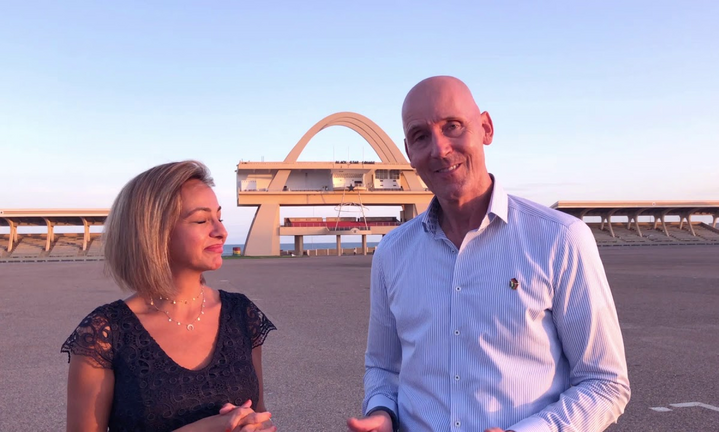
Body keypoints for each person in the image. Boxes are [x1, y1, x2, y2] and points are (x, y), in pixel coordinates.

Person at [347, 76, 630, 432]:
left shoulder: (561, 239)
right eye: (420, 136)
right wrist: (382, 411)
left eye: (453, 126)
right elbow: (383, 367)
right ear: (408, 153)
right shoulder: (392, 252)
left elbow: (604, 382)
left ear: (486, 128)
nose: (439, 149)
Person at [61, 161, 277, 432]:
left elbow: (260, 414)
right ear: (153, 233)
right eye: (201, 220)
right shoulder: (105, 334)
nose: (221, 232)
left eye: (219, 218)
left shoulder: (241, 314)